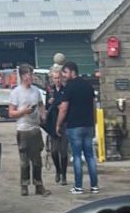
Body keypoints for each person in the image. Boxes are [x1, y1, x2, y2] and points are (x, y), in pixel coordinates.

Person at [55, 60, 99, 197]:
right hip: (88, 125)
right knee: (90, 156)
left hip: (74, 126)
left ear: (72, 72)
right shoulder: (88, 85)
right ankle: (94, 186)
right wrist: (94, 121)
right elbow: (93, 105)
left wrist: (57, 124)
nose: (64, 75)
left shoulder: (69, 87)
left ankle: (78, 186)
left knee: (77, 156)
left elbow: (63, 108)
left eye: (65, 72)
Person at [7, 62, 47, 196]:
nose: (30, 76)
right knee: (24, 161)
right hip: (23, 129)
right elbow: (11, 113)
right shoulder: (16, 92)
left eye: (31, 74)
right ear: (23, 76)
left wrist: (43, 115)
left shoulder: (36, 91)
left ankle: (38, 184)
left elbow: (41, 105)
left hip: (35, 129)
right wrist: (23, 111)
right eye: (28, 74)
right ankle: (24, 185)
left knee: (37, 160)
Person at [43, 64, 68, 184]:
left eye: (58, 78)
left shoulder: (66, 90)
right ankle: (58, 170)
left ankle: (64, 175)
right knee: (53, 151)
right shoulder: (50, 91)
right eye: (55, 78)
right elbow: (47, 107)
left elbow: (65, 106)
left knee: (63, 151)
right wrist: (49, 103)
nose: (57, 80)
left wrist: (56, 102)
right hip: (53, 122)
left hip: (64, 123)